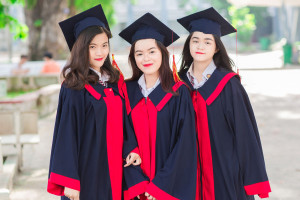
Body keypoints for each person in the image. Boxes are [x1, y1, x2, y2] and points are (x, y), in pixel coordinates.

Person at [47, 5, 140, 200]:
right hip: (87, 169)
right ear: (81, 48)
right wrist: (70, 180)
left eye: (104, 45)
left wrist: (132, 147)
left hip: (116, 168)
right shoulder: (74, 86)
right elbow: (66, 134)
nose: (100, 52)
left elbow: (126, 121)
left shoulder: (114, 80)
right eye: (92, 46)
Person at [177, 7, 271, 200]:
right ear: (188, 44)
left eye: (207, 41)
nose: (200, 46)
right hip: (187, 174)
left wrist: (254, 179)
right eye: (195, 40)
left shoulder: (228, 85)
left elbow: (246, 134)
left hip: (224, 172)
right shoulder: (177, 83)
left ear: (217, 47)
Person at [119, 13, 197, 200]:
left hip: (167, 188)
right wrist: (137, 183)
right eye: (139, 53)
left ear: (163, 53)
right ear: (133, 58)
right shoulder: (125, 91)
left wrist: (161, 186)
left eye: (152, 51)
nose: (146, 58)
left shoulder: (178, 92)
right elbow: (122, 136)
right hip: (135, 187)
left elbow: (184, 145)